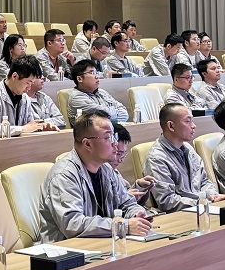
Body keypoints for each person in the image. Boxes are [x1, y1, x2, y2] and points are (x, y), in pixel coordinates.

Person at [37, 110, 151, 243]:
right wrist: (123, 226)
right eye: (108, 137)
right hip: (66, 249)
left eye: (114, 136)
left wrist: (136, 214)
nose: (115, 143)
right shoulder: (64, 175)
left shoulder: (106, 168)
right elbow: (73, 224)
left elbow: (126, 203)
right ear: (87, 144)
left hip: (101, 243)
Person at [144, 103, 225, 212]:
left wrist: (212, 195)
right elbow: (166, 201)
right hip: (182, 214)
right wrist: (203, 202)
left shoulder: (188, 148)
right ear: (171, 126)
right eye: (188, 121)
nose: (193, 125)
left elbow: (204, 180)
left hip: (203, 208)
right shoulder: (156, 158)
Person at [0, 55, 48, 138]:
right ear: (15, 76)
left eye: (32, 83)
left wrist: (42, 127)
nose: (29, 88)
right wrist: (21, 129)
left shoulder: (25, 98)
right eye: (28, 83)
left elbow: (29, 126)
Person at [66, 59, 128, 125]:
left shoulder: (102, 92)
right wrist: (114, 112)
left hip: (111, 128)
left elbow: (124, 113)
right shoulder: (77, 98)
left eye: (96, 73)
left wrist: (112, 116)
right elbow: (104, 116)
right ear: (79, 79)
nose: (97, 77)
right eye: (92, 73)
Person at [111, 123, 155, 204]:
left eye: (123, 154)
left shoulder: (114, 171)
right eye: (118, 154)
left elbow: (126, 193)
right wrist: (126, 198)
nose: (120, 160)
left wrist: (139, 187)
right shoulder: (98, 173)